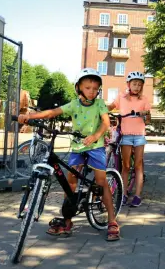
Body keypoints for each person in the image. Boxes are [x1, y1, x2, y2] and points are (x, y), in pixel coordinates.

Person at [18, 68, 120, 241]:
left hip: (96, 147)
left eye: (95, 88)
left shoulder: (100, 104)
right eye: (88, 87)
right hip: (78, 147)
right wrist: (30, 116)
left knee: (101, 183)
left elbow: (105, 122)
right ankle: (67, 221)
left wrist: (95, 136)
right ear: (79, 87)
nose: (92, 91)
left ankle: (112, 221)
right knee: (70, 183)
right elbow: (52, 112)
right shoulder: (73, 104)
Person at [107, 71, 151, 207]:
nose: (137, 87)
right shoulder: (121, 97)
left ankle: (137, 195)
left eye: (139, 85)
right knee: (125, 166)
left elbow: (148, 121)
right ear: (129, 84)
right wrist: (99, 108)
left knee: (138, 166)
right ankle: (124, 193)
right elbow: (110, 106)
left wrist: (146, 114)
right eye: (134, 84)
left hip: (139, 136)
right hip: (125, 135)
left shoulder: (144, 99)